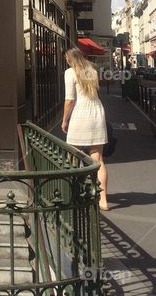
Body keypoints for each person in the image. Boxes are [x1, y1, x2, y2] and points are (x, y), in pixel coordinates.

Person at [61, 47, 110, 211]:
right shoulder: (92, 70)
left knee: (72, 157)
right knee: (98, 159)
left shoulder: (70, 72)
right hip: (97, 112)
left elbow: (69, 100)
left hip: (81, 114)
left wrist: (64, 120)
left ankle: (74, 194)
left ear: (69, 59)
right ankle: (103, 200)